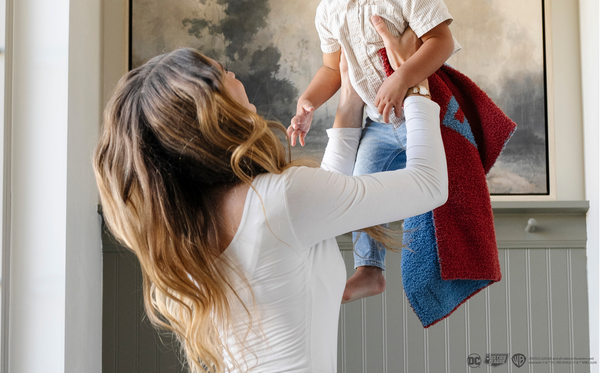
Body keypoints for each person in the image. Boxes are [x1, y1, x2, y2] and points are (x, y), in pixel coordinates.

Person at [94, 25, 447, 373]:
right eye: (222, 72)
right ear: (210, 109)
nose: (233, 73)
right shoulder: (280, 201)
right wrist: (413, 79)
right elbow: (430, 185)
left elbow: (321, 194)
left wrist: (349, 98)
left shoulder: (189, 230)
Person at [288, 0, 459, 302]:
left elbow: (442, 43)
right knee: (364, 186)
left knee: (437, 200)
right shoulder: (328, 8)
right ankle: (369, 269)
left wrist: (402, 78)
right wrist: (309, 100)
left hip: (425, 113)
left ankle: (442, 267)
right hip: (378, 124)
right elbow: (333, 68)